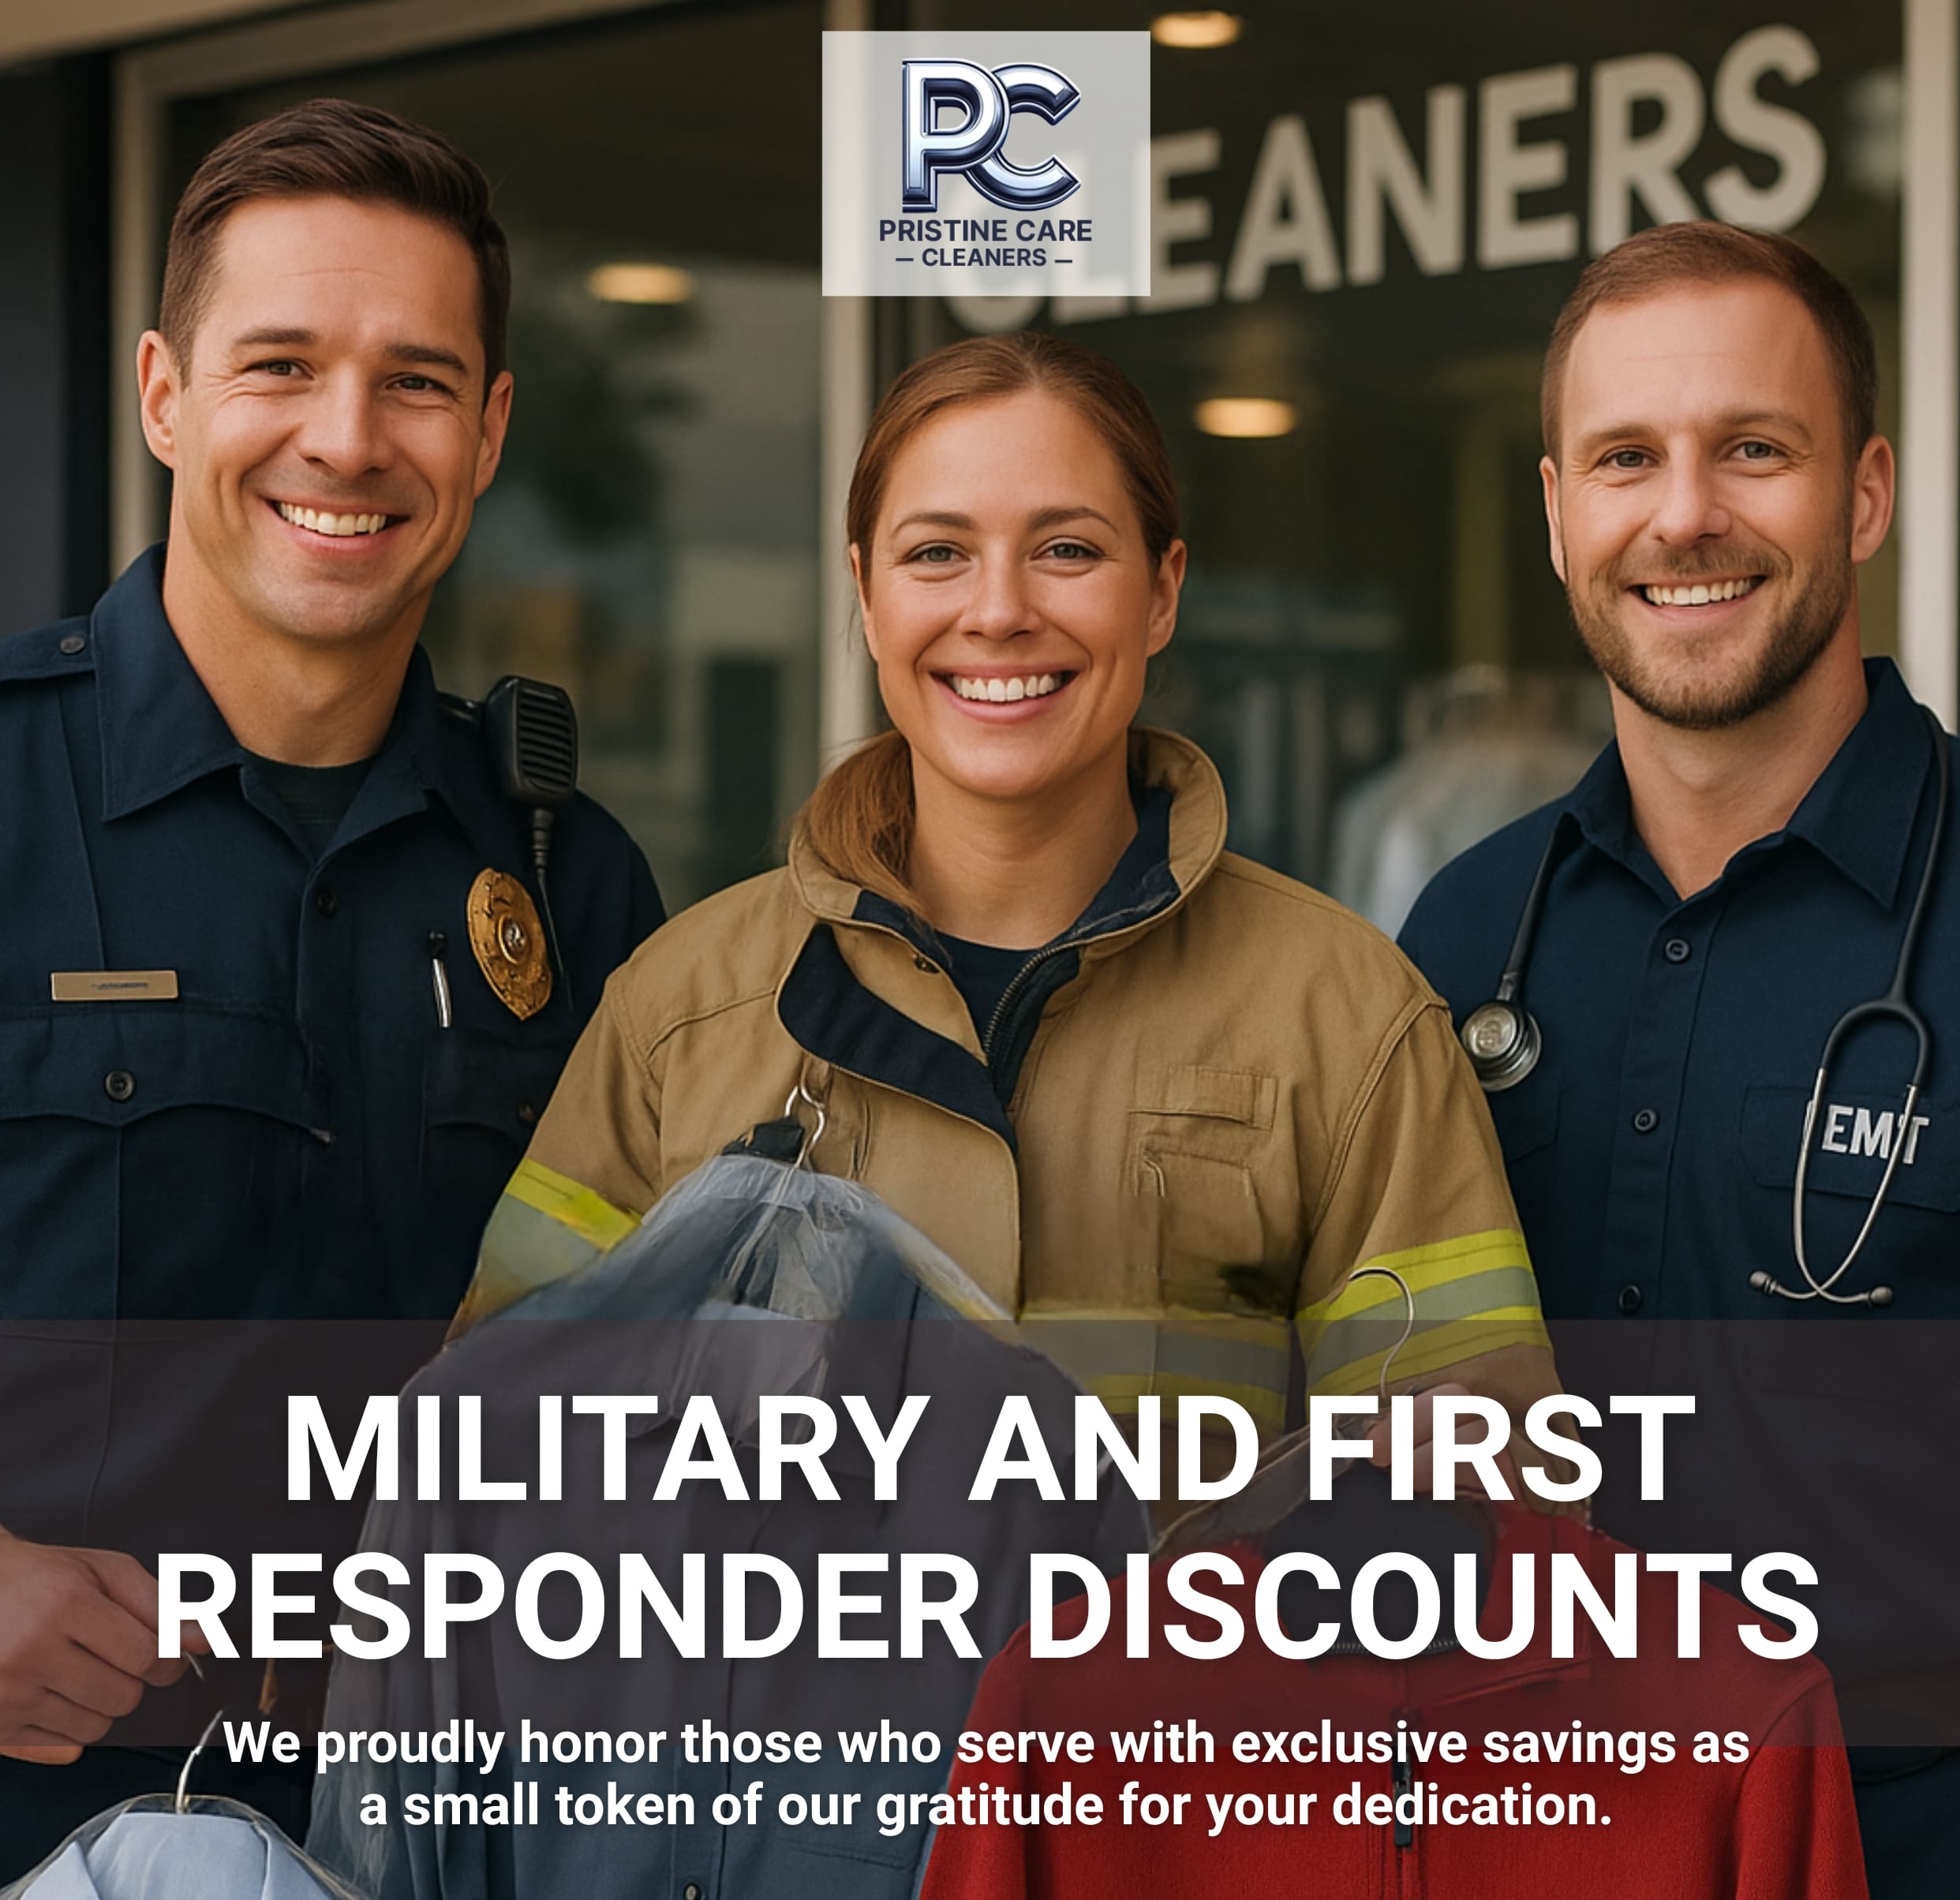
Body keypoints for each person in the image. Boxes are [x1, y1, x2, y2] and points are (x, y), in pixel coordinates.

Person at [458, 330, 1561, 1481]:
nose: (998, 612)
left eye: (1068, 550)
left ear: (1163, 592)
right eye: (937, 552)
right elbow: (495, 1469)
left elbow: (1475, 1514)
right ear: (867, 597)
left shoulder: (1346, 1019)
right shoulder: (678, 1014)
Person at [0, 100, 661, 1872]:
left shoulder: (566, 880)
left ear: (493, 426)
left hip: (439, 1874)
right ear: (161, 393)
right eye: (279, 364)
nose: (347, 440)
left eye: (419, 379)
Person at [1399, 221, 1960, 1900]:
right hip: (1537, 1889)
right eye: (1624, 458)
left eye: (1752, 448)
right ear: (1559, 511)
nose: (1682, 515)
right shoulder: (1457, 929)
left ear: (1862, 492)